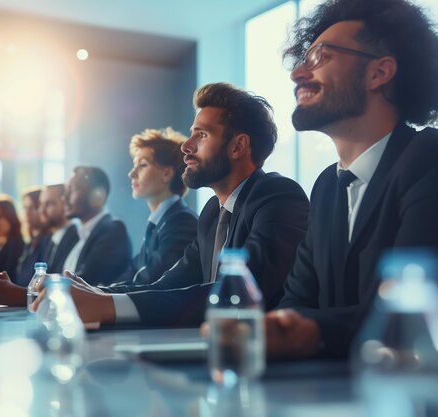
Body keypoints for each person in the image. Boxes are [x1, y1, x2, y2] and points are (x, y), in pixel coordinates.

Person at [30, 83, 310, 323]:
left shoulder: (277, 196)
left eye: (201, 135)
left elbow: (238, 293)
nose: (186, 146)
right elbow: (168, 284)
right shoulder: (213, 213)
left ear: (238, 146)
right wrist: (96, 293)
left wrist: (107, 306)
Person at [262, 0, 438, 359]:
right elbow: (298, 301)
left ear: (379, 73)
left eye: (320, 57)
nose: (297, 74)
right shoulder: (327, 186)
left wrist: (307, 331)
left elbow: (405, 317)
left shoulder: (428, 158)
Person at [0, 167, 132, 305]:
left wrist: (18, 294)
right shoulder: (85, 234)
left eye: (72, 190)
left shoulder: (112, 229)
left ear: (97, 196)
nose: (64, 198)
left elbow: (85, 288)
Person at [108, 127, 197, 286]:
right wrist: (95, 291)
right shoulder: (159, 223)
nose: (131, 173)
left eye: (142, 165)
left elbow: (151, 279)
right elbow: (133, 270)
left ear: (167, 174)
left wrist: (97, 296)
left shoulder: (182, 222)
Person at [14, 187, 52, 286]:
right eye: (25, 208)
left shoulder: (48, 241)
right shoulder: (31, 242)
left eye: (33, 208)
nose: (27, 213)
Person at [39, 184, 79, 274]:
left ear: (66, 204)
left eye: (49, 204)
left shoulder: (76, 238)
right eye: (41, 204)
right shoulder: (51, 239)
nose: (42, 210)